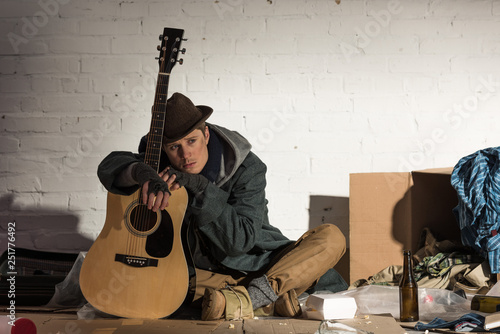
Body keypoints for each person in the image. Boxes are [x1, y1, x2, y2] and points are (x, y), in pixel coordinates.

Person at [97, 92, 347, 320]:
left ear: (205, 134)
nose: (185, 155)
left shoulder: (248, 168)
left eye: (192, 141)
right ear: (164, 148)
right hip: (200, 278)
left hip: (261, 266)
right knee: (141, 284)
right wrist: (139, 171)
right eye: (175, 147)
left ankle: (252, 299)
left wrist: (201, 188)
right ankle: (266, 302)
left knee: (332, 238)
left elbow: (240, 242)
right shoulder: (162, 166)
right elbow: (110, 165)